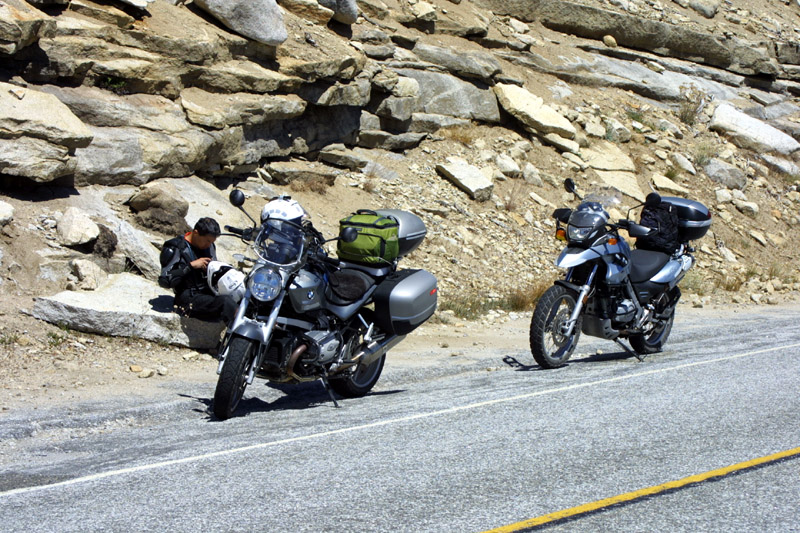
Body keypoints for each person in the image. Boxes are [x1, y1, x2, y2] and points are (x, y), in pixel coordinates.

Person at [158, 217, 237, 324]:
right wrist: (190, 266)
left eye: (211, 242)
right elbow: (164, 280)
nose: (208, 245)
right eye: (207, 241)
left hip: (208, 292)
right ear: (196, 233)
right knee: (226, 302)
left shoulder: (209, 247)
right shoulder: (176, 247)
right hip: (187, 298)